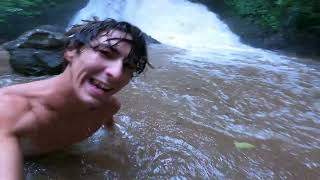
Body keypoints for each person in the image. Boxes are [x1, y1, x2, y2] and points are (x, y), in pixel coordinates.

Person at [0, 18, 151, 180]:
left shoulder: (109, 107)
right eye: (106, 53)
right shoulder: (9, 110)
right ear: (71, 51)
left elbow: (110, 130)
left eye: (128, 66)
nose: (116, 73)